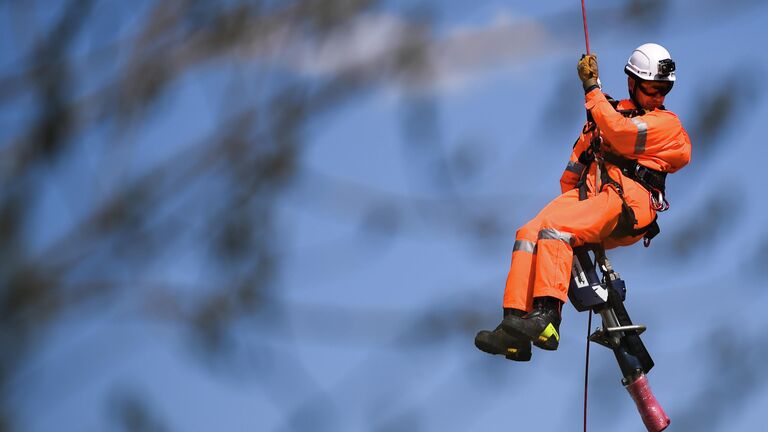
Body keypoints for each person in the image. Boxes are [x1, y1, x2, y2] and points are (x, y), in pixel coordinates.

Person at [475, 43, 691, 361]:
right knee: (529, 231)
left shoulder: (665, 124)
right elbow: (571, 173)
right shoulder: (604, 116)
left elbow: (623, 135)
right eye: (652, 89)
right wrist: (578, 203)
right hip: (594, 196)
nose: (659, 97)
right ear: (633, 82)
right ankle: (514, 326)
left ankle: (548, 318)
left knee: (556, 228)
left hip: (628, 201)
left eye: (664, 90)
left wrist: (592, 90)